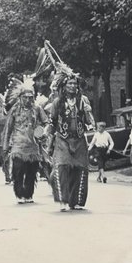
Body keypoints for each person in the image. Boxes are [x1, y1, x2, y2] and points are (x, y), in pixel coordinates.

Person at [48, 73, 95, 212]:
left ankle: (76, 201)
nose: (73, 86)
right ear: (64, 86)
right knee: (62, 167)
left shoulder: (83, 100)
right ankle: (63, 199)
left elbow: (90, 122)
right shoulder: (57, 102)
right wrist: (47, 137)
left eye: (75, 83)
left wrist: (88, 112)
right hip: (62, 139)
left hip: (79, 139)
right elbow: (52, 121)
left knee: (80, 169)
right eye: (70, 83)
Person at [3, 82, 48, 204]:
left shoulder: (37, 109)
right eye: (25, 97)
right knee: (18, 170)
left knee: (31, 171)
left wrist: (42, 132)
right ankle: (19, 194)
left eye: (30, 97)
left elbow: (47, 122)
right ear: (20, 97)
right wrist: (5, 145)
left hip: (33, 146)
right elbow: (8, 128)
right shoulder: (14, 110)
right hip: (18, 144)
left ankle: (28, 194)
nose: (28, 100)